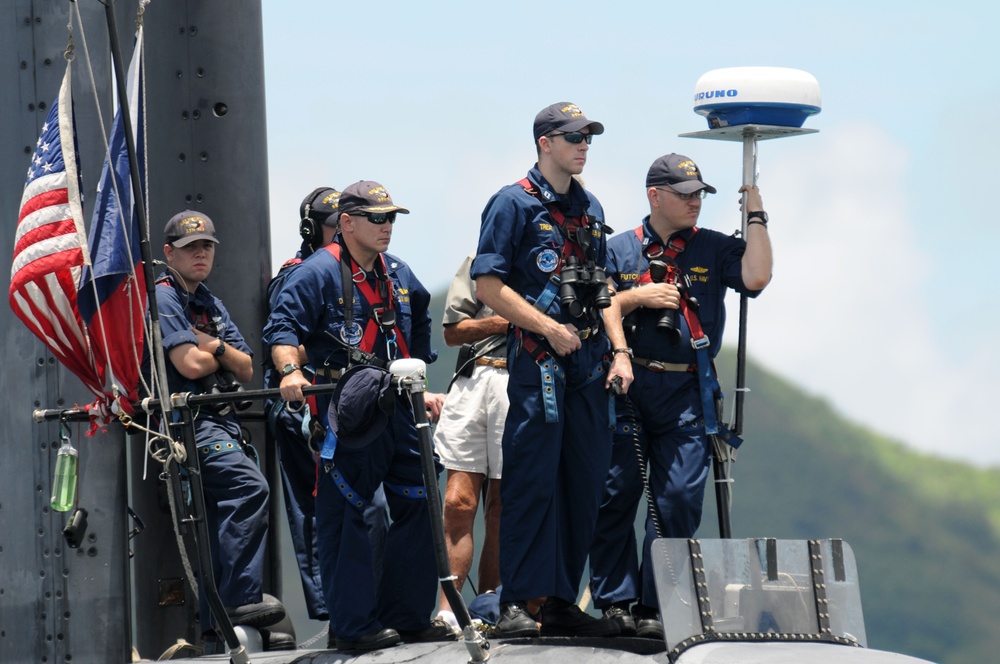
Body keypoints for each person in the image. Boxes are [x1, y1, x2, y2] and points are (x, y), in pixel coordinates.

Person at [588, 153, 773, 638]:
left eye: (700, 195)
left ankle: (655, 605)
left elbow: (756, 276)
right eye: (685, 194)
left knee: (677, 500)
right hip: (628, 383)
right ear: (655, 195)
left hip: (687, 389)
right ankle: (614, 602)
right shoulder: (618, 249)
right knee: (614, 494)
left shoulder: (713, 248)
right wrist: (637, 299)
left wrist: (756, 214)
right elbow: (599, 305)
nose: (695, 203)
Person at [263, 180, 452, 652]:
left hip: (401, 406)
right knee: (346, 511)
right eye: (376, 217)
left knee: (420, 500)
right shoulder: (315, 273)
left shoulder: (401, 274)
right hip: (349, 409)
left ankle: (407, 615)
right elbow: (281, 329)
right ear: (346, 223)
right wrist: (289, 371)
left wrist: (422, 384)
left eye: (390, 217)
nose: (386, 226)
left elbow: (421, 331)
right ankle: (352, 625)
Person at [471, 102, 634, 639]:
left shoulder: (590, 207)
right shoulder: (512, 203)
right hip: (539, 362)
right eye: (573, 137)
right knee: (532, 481)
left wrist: (620, 351)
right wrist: (546, 327)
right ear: (545, 143)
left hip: (589, 362)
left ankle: (562, 599)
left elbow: (604, 287)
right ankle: (519, 599)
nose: (584, 145)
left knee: (584, 483)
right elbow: (488, 286)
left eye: (588, 137)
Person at [154, 210, 286, 634]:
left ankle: (218, 625)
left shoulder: (208, 301)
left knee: (216, 519)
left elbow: (247, 368)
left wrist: (211, 344)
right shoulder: (163, 298)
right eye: (191, 247)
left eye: (207, 246)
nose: (201, 254)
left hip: (221, 421)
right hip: (187, 423)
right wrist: (215, 350)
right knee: (249, 488)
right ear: (168, 253)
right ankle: (238, 600)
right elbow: (189, 365)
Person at [263, 187, 388, 626]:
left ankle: (364, 606)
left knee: (372, 507)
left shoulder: (373, 275)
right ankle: (336, 611)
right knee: (321, 509)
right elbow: (287, 336)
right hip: (308, 406)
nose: (343, 232)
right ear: (314, 229)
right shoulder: (302, 274)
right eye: (334, 225)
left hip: (358, 406)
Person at [432, 252, 509, 631]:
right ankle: (448, 609)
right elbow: (452, 332)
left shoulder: (558, 259)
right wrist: (507, 322)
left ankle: (491, 605)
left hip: (523, 382)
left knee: (502, 504)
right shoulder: (479, 261)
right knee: (457, 503)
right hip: (474, 377)